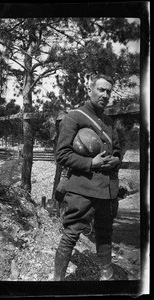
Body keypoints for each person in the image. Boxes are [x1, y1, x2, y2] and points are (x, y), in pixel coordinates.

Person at [53, 73, 122, 281]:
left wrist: (115, 160)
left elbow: (117, 150)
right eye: (101, 89)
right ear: (89, 90)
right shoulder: (74, 117)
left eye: (108, 91)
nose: (105, 95)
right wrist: (91, 163)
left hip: (107, 190)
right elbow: (62, 155)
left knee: (105, 234)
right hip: (82, 189)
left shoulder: (109, 122)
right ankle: (57, 282)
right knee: (71, 234)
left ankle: (106, 277)